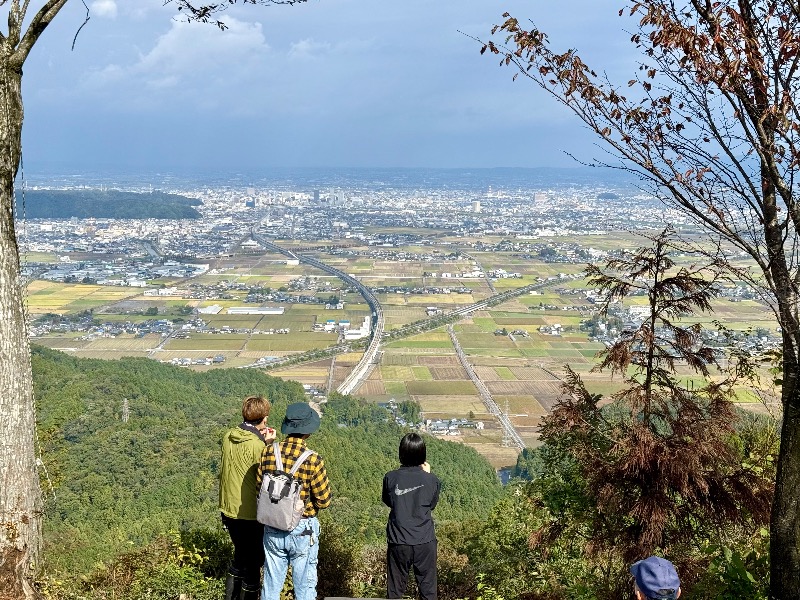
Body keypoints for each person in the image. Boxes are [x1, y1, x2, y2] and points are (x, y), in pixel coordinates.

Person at [257, 402, 332, 600]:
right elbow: (324, 501)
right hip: (302, 528)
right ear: (308, 431)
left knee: (270, 587)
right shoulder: (313, 460)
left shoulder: (268, 452)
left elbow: (259, 490)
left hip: (272, 524)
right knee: (304, 589)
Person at [220, 395, 276, 600]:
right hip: (249, 512)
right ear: (265, 418)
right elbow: (266, 475)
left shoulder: (228, 436)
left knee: (240, 557)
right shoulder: (258, 446)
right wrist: (267, 444)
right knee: (253, 563)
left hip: (228, 507)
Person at [382, 432, 441, 600]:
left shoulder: (390, 478)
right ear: (423, 454)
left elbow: (388, 501)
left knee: (395, 591)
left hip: (398, 540)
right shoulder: (432, 480)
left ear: (401, 453)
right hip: (425, 540)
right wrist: (426, 474)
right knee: (428, 591)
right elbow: (431, 505)